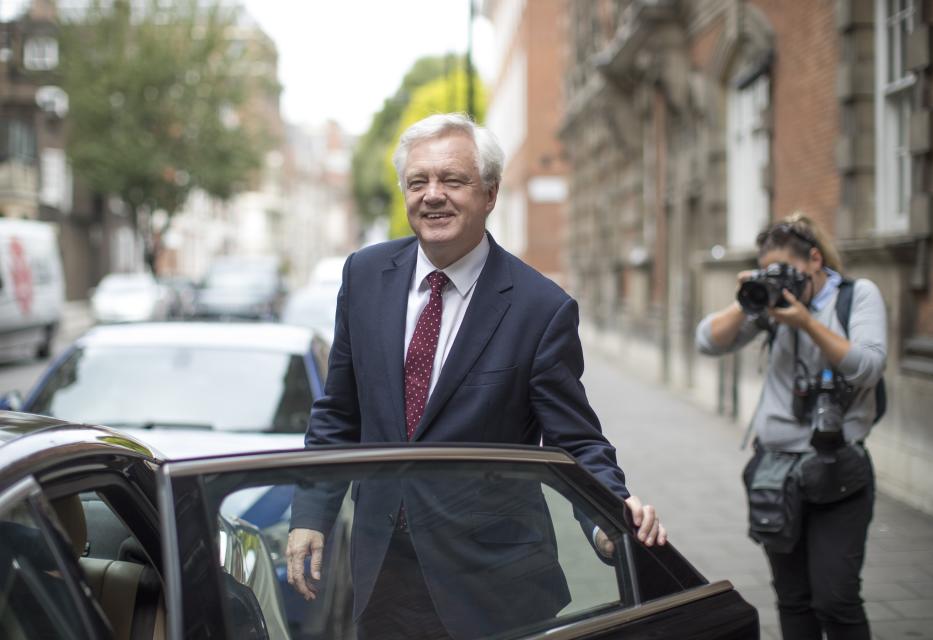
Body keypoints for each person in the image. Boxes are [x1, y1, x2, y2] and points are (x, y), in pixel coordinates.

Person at [285, 113, 666, 639]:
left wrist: (607, 517)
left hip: (494, 586)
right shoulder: (365, 275)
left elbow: (574, 439)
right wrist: (310, 511)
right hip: (383, 573)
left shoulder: (540, 308)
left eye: (452, 180)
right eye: (418, 182)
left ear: (489, 194)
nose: (433, 195)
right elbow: (339, 410)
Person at [696, 213, 887, 640]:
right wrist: (747, 298)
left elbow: (869, 368)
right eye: (770, 273)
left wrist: (807, 323)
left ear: (815, 259)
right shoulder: (767, 305)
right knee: (792, 598)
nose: (780, 282)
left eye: (787, 271)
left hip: (838, 469)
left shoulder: (856, 297)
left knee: (836, 598)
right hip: (775, 473)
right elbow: (706, 341)